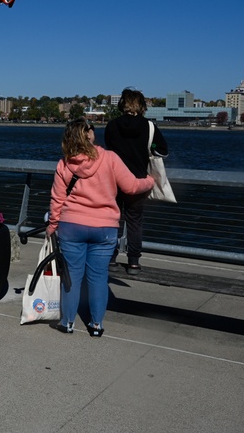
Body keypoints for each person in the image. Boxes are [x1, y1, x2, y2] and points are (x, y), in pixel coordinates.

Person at [46, 118, 155, 338]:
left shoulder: (64, 163)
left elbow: (57, 199)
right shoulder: (110, 158)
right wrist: (151, 181)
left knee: (72, 278)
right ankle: (96, 325)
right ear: (89, 134)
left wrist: (52, 225)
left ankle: (67, 322)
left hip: (71, 227)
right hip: (104, 227)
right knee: (97, 278)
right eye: (91, 129)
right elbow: (132, 186)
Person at [104, 87, 169, 275]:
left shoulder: (112, 125)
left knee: (111, 220)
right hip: (139, 181)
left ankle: (111, 258)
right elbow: (161, 150)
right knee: (135, 222)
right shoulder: (149, 126)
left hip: (113, 181)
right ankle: (133, 262)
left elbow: (109, 148)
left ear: (122, 105)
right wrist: (151, 146)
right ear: (141, 106)